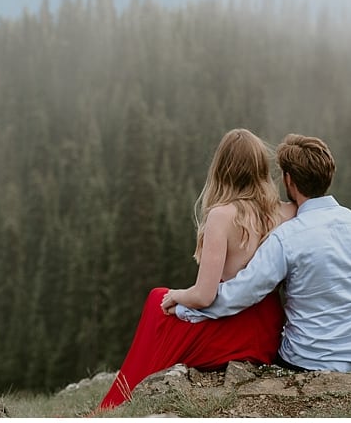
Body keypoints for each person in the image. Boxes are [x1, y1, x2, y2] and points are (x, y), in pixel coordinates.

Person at [95, 129, 295, 411]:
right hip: (269, 332)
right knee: (162, 302)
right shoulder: (287, 212)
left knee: (157, 300)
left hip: (236, 328)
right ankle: (122, 398)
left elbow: (204, 296)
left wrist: (178, 295)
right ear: (261, 168)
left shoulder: (222, 216)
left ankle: (116, 402)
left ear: (222, 168)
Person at [173, 134, 351, 373]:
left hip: (308, 358)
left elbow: (241, 292)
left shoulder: (287, 237)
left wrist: (182, 306)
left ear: (289, 180)